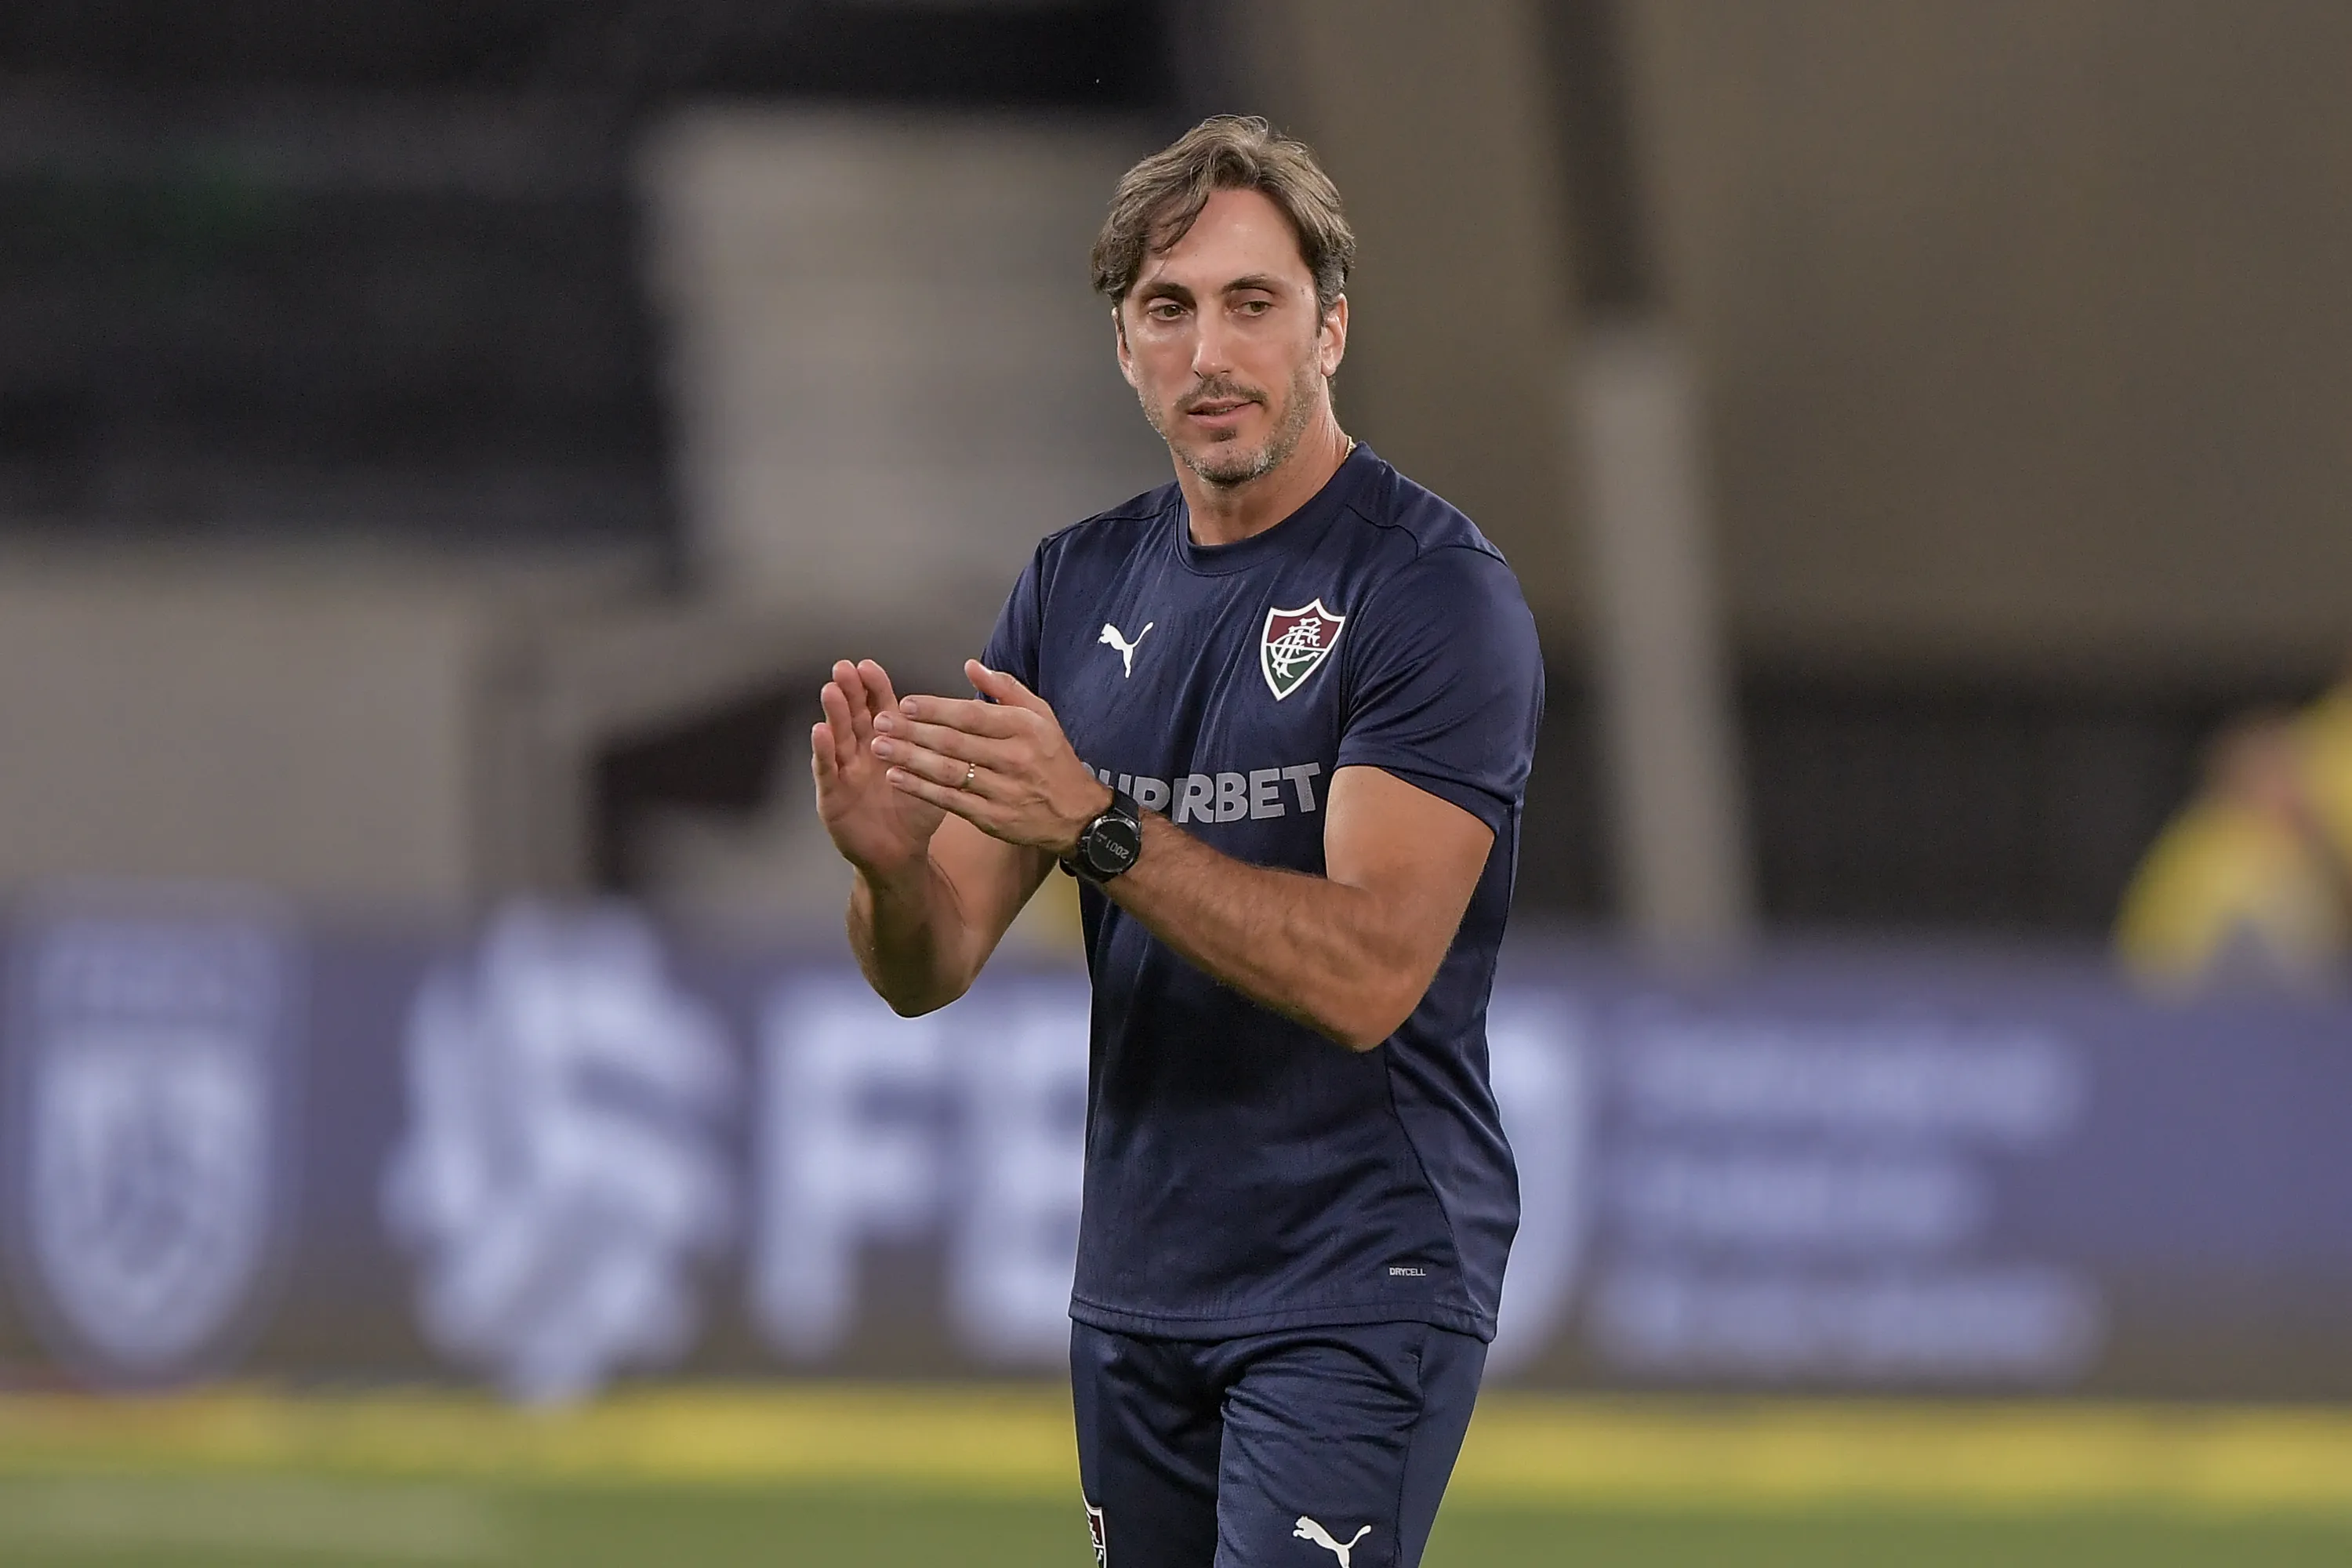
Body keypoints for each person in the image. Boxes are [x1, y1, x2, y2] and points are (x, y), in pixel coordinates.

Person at [811, 115, 1544, 1567]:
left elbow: (1373, 972)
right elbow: (932, 959)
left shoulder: (1430, 595)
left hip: (1359, 1270)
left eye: (1251, 304)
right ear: (1125, 348)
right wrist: (890, 870)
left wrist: (1097, 826)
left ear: (1330, 330)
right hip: (1141, 1282)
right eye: (1169, 309)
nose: (1210, 350)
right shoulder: (1074, 582)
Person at [2117, 669, 2352, 989]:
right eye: (2279, 777)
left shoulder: (2300, 849)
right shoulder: (2221, 853)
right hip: (2194, 1010)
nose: (2298, 791)